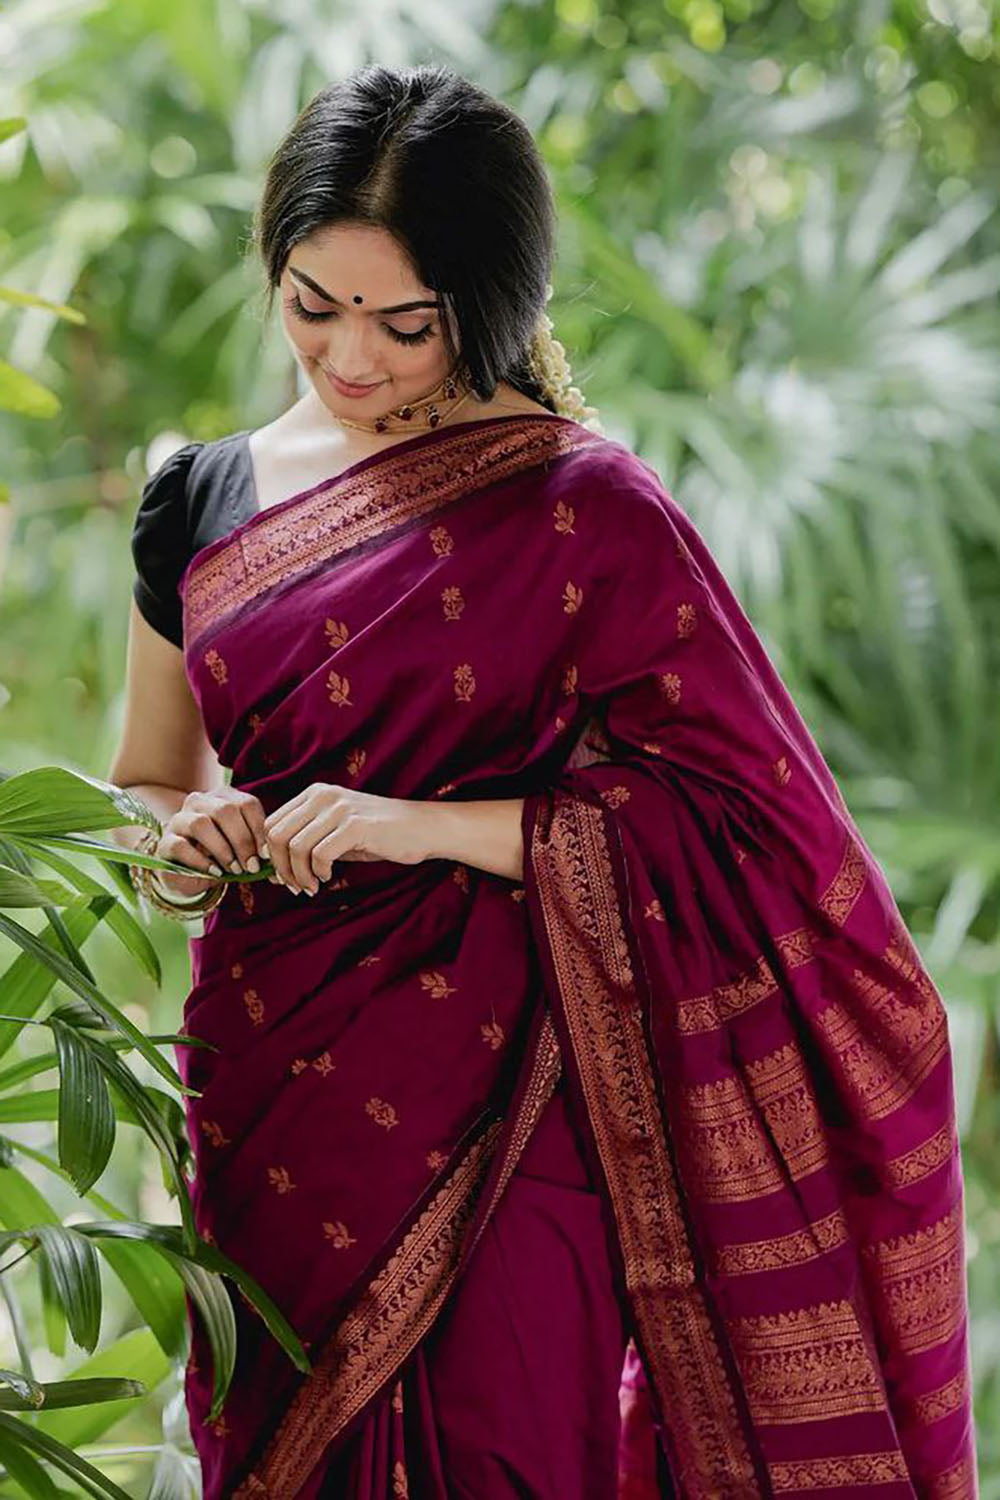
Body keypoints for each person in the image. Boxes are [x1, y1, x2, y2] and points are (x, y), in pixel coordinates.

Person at [108, 62, 977, 1500]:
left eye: (407, 322)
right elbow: (145, 777)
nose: (351, 358)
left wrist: (415, 825)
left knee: (514, 1449)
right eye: (312, 305)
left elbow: (752, 834)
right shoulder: (195, 497)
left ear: (491, 305)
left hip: (514, 1095)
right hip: (271, 1077)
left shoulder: (585, 509)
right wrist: (183, 836)